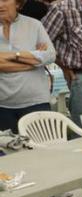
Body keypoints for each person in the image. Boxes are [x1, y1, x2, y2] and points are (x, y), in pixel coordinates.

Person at [0, 0, 54, 132]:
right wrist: (32, 60)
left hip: (36, 102)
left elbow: (50, 55)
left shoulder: (34, 25)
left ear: (17, 3)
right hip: (3, 105)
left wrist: (13, 55)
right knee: (10, 152)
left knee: (43, 150)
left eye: (5, 0)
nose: (0, 5)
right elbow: (40, 58)